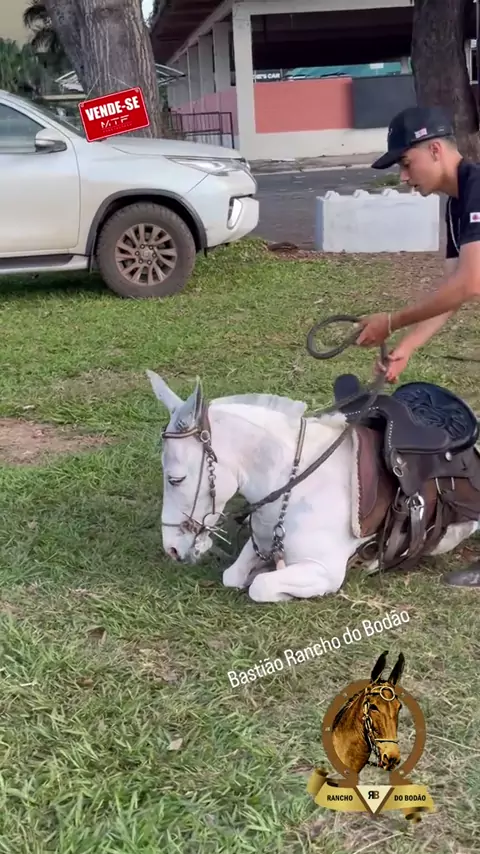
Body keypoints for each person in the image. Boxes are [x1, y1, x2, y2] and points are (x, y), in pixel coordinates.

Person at [355, 105, 480, 588]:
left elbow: (470, 283)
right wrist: (407, 344)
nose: (405, 178)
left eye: (407, 164)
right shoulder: (455, 203)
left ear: (436, 149)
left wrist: (391, 320)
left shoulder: (476, 187)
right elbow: (453, 289)